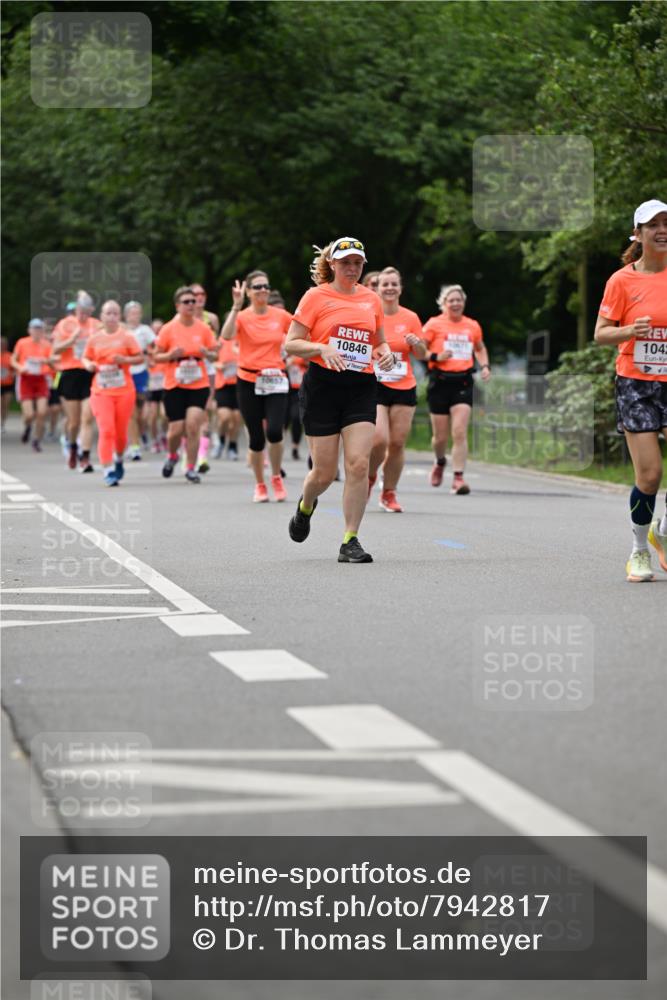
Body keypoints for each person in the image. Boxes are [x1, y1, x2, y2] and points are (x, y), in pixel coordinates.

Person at [284, 236, 395, 563]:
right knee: (324, 473)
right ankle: (306, 506)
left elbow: (380, 342)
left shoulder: (370, 299)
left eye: (358, 263)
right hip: (323, 387)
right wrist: (321, 348)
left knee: (359, 463)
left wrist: (385, 355)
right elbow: (292, 344)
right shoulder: (315, 297)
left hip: (360, 386)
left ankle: (350, 540)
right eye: (345, 262)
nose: (352, 268)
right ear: (332, 264)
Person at [594, 198, 667, 582]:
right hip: (636, 383)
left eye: (666, 223)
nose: (662, 230)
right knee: (650, 475)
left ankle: (663, 531)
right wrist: (629, 330)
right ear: (637, 235)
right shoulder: (622, 280)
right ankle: (639, 550)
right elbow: (600, 334)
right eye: (652, 224)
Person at [220, 271, 291, 502]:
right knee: (257, 438)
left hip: (276, 378)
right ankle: (260, 484)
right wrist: (235, 306)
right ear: (248, 291)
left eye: (266, 286)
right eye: (257, 287)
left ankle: (276, 476)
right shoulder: (241, 316)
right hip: (248, 380)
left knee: (274, 431)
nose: (263, 290)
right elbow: (227, 336)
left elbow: (300, 335)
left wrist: (291, 352)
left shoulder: (281, 316)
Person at [422, 283, 491, 494]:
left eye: (459, 300)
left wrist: (485, 366)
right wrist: (435, 356)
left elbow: (479, 348)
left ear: (464, 303)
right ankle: (440, 460)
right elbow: (418, 350)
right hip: (440, 381)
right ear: (443, 303)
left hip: (463, 381)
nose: (455, 303)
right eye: (451, 300)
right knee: (440, 437)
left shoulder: (472, 325)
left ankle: (458, 478)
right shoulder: (434, 324)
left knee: (459, 431)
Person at [367, 267, 426, 511]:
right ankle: (370, 476)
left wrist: (417, 343)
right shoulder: (371, 315)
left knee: (398, 443)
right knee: (380, 439)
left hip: (404, 385)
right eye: (385, 284)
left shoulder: (410, 317)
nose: (390, 288)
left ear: (400, 288)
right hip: (376, 384)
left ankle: (388, 492)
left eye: (394, 284)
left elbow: (422, 355)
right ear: (378, 288)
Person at [154, 287, 217, 484]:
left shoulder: (203, 328)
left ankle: (190, 467)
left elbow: (215, 354)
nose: (191, 304)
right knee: (175, 430)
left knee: (192, 426)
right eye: (187, 302)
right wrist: (170, 355)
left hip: (198, 383)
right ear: (177, 306)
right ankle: (172, 456)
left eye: (193, 301)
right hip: (175, 384)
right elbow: (156, 355)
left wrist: (207, 353)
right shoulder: (168, 329)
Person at [82, 301, 143, 486]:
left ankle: (118, 458)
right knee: (106, 429)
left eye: (115, 313)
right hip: (101, 391)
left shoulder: (127, 337)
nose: (111, 317)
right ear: (101, 316)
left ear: (120, 317)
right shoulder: (94, 338)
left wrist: (124, 359)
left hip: (124, 391)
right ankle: (107, 469)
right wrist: (88, 365)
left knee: (120, 433)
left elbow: (140, 357)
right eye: (108, 313)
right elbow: (85, 357)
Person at [50, 291, 102, 470]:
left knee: (87, 418)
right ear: (76, 309)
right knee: (74, 422)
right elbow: (55, 349)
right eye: (81, 310)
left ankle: (85, 457)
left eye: (87, 310)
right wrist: (72, 339)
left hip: (89, 373)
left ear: (91, 310)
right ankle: (72, 446)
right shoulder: (65, 324)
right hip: (70, 373)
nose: (83, 314)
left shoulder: (96, 325)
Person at [10, 318, 53, 451]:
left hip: (41, 379)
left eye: (39, 329)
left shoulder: (46, 345)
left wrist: (46, 361)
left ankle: (36, 440)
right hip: (26, 379)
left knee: (42, 412)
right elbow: (13, 360)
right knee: (29, 414)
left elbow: (51, 361)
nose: (37, 331)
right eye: (34, 328)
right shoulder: (22, 343)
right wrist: (20, 367)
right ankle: (28, 427)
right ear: (29, 330)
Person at [123, 301, 156, 461]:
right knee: (131, 413)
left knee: (143, 415)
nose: (135, 316)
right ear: (126, 315)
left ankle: (141, 434)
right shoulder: (121, 330)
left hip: (142, 372)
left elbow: (157, 346)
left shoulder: (145, 330)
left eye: (137, 313)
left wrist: (149, 356)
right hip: (126, 373)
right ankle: (134, 446)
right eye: (132, 313)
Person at [213, 329, 241, 460]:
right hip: (223, 385)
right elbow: (211, 358)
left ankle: (232, 446)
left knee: (236, 418)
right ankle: (221, 440)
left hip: (240, 385)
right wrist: (217, 365)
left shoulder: (243, 340)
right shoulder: (220, 341)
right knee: (225, 417)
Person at [1, 336, 14, 433]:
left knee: (5, 405)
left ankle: (3, 424)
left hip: (8, 384)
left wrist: (12, 374)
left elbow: (15, 370)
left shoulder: (10, 356)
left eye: (3, 344)